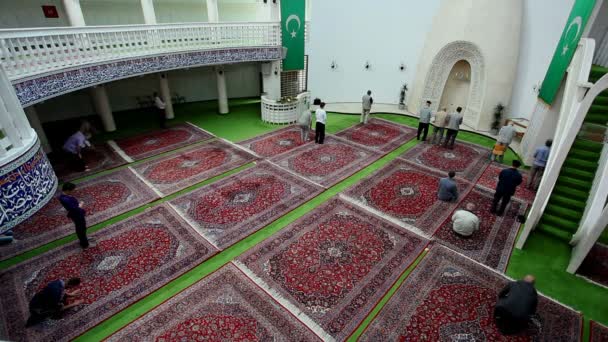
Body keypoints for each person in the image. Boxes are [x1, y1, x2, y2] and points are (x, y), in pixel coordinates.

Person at [59, 183, 89, 249]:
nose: (74, 191)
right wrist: (80, 205)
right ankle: (84, 244)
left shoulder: (64, 196)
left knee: (81, 228)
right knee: (81, 228)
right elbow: (74, 209)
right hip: (77, 215)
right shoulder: (65, 199)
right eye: (73, 190)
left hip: (76, 214)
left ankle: (83, 240)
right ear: (67, 190)